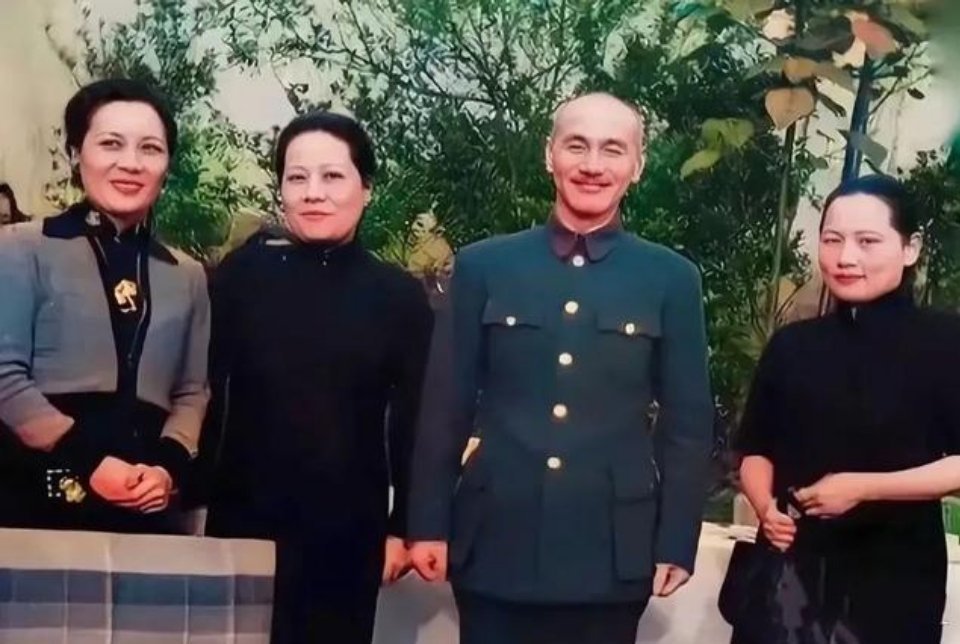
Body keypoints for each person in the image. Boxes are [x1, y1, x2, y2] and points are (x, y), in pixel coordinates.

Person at [407, 92, 714, 644]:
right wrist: (427, 523)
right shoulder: (485, 265)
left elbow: (687, 424)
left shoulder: (670, 278)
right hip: (495, 544)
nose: (593, 165)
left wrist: (675, 540)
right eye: (577, 146)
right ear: (549, 155)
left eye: (613, 149)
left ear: (637, 165)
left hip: (610, 554)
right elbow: (445, 405)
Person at [201, 111, 434, 644]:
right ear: (281, 189)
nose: (313, 193)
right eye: (297, 177)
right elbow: (206, 390)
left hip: (348, 531)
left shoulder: (396, 296)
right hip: (243, 522)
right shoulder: (241, 277)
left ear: (366, 188)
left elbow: (414, 421)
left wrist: (404, 526)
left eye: (332, 176)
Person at [736, 174, 960, 644]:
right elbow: (756, 447)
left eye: (867, 241)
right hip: (788, 577)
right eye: (832, 239)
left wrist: (863, 487)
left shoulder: (945, 343)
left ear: (910, 248)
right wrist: (764, 507)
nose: (845, 257)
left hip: (893, 580)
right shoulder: (792, 345)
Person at [0, 79, 210, 533]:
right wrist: (89, 461)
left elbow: (192, 391)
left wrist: (166, 468)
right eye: (111, 143)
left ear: (167, 164)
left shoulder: (187, 274)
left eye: (150, 148)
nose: (131, 163)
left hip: (145, 505)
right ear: (76, 153)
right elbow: (4, 376)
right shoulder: (19, 248)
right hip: (31, 504)